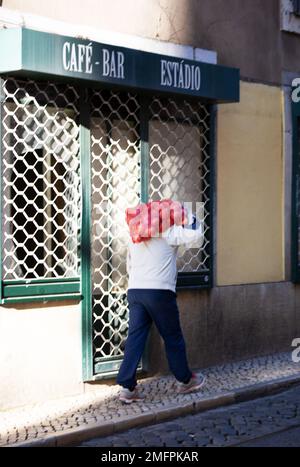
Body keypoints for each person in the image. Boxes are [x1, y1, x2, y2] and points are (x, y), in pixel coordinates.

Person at [116, 200, 206, 404]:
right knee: (173, 337)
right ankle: (185, 380)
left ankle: (127, 387)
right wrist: (187, 214)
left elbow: (129, 265)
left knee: (135, 338)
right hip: (160, 292)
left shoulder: (135, 236)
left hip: (136, 290)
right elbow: (196, 234)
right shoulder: (169, 231)